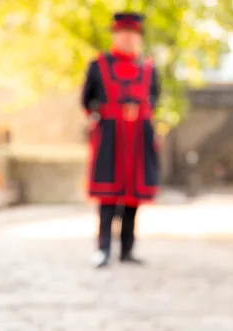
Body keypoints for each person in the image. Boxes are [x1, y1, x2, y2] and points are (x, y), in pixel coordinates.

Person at [81, 11, 161, 268]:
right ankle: (103, 248)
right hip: (110, 139)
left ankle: (127, 249)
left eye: (132, 34)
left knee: (133, 196)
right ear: (115, 35)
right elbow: (86, 100)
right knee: (107, 195)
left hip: (137, 138)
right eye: (122, 33)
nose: (127, 39)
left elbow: (155, 99)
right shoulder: (99, 65)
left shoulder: (148, 68)